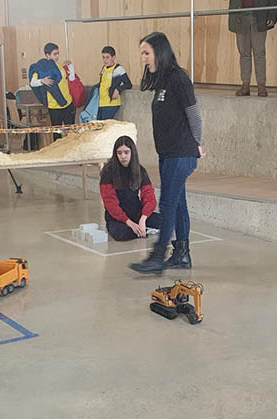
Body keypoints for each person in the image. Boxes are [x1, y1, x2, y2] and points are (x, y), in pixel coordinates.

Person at [130, 32, 204, 274]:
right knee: (179, 204)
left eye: (146, 53)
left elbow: (193, 114)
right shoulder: (162, 80)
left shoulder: (178, 79)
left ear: (159, 52)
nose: (143, 58)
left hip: (181, 153)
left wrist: (197, 143)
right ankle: (182, 254)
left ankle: (157, 256)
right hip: (168, 153)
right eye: (142, 53)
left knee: (168, 203)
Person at [100, 136, 163, 241]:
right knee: (123, 234)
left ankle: (142, 229)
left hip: (137, 213)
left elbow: (149, 197)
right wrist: (129, 223)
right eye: (119, 153)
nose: (123, 156)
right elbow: (110, 203)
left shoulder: (140, 171)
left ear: (132, 152)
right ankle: (142, 230)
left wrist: (143, 218)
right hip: (117, 218)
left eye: (126, 152)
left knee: (167, 222)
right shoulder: (107, 172)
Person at [230, 0, 277, 97]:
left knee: (259, 53)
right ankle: (245, 85)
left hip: (259, 16)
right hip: (240, 17)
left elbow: (274, 1)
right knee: (244, 53)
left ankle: (261, 86)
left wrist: (272, 16)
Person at [29, 43, 78, 137]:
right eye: (55, 54)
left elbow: (70, 79)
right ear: (47, 55)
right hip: (54, 106)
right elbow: (32, 82)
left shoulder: (59, 66)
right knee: (57, 135)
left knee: (71, 133)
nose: (58, 56)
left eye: (58, 53)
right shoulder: (41, 67)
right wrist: (42, 81)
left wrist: (71, 68)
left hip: (68, 102)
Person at [97, 46, 133, 120]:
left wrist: (118, 89)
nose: (105, 60)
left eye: (107, 57)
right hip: (100, 103)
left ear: (113, 57)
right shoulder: (103, 68)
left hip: (110, 103)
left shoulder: (118, 69)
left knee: (105, 128)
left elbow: (128, 84)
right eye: (103, 57)